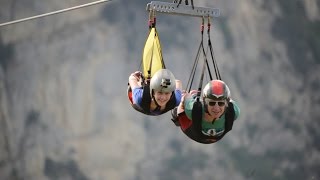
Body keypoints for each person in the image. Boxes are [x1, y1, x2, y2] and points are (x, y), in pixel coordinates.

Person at [171, 79, 240, 144]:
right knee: (180, 109)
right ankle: (184, 91)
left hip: (209, 135)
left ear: (226, 104)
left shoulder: (233, 111)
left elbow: (228, 99)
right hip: (192, 131)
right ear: (205, 103)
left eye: (221, 103)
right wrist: (186, 98)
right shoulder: (192, 110)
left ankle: (193, 96)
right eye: (212, 103)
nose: (216, 108)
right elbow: (187, 97)